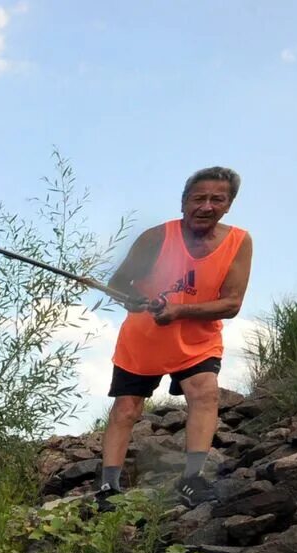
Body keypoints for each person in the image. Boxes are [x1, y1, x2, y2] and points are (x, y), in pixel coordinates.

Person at [92, 166, 254, 510]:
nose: (207, 206)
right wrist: (132, 299)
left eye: (217, 199)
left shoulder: (239, 241)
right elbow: (119, 284)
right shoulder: (155, 238)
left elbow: (232, 303)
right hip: (143, 339)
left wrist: (179, 311)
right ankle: (107, 487)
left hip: (197, 340)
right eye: (199, 198)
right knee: (126, 408)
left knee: (205, 392)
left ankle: (192, 478)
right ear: (183, 203)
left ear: (228, 205)